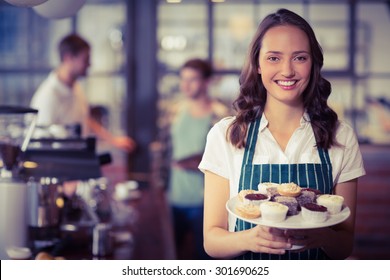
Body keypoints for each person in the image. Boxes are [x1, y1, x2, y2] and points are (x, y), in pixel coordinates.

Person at [199, 8, 366, 260]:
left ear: (313, 63)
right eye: (274, 58)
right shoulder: (226, 134)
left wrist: (323, 236)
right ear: (257, 64)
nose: (287, 71)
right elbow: (212, 241)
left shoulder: (341, 136)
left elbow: (344, 245)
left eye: (299, 58)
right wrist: (250, 238)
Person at [166, 58, 229, 259]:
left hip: (205, 201)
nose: (185, 85)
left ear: (206, 82)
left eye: (192, 79)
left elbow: (226, 158)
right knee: (176, 258)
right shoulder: (175, 111)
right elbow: (165, 151)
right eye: (183, 79)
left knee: (205, 259)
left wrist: (189, 163)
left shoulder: (220, 115)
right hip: (174, 197)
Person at [30, 33, 136, 152]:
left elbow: (85, 118)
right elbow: (40, 145)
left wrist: (113, 140)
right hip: (62, 166)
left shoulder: (75, 86)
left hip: (79, 158)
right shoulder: (47, 97)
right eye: (85, 60)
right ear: (68, 58)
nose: (89, 64)